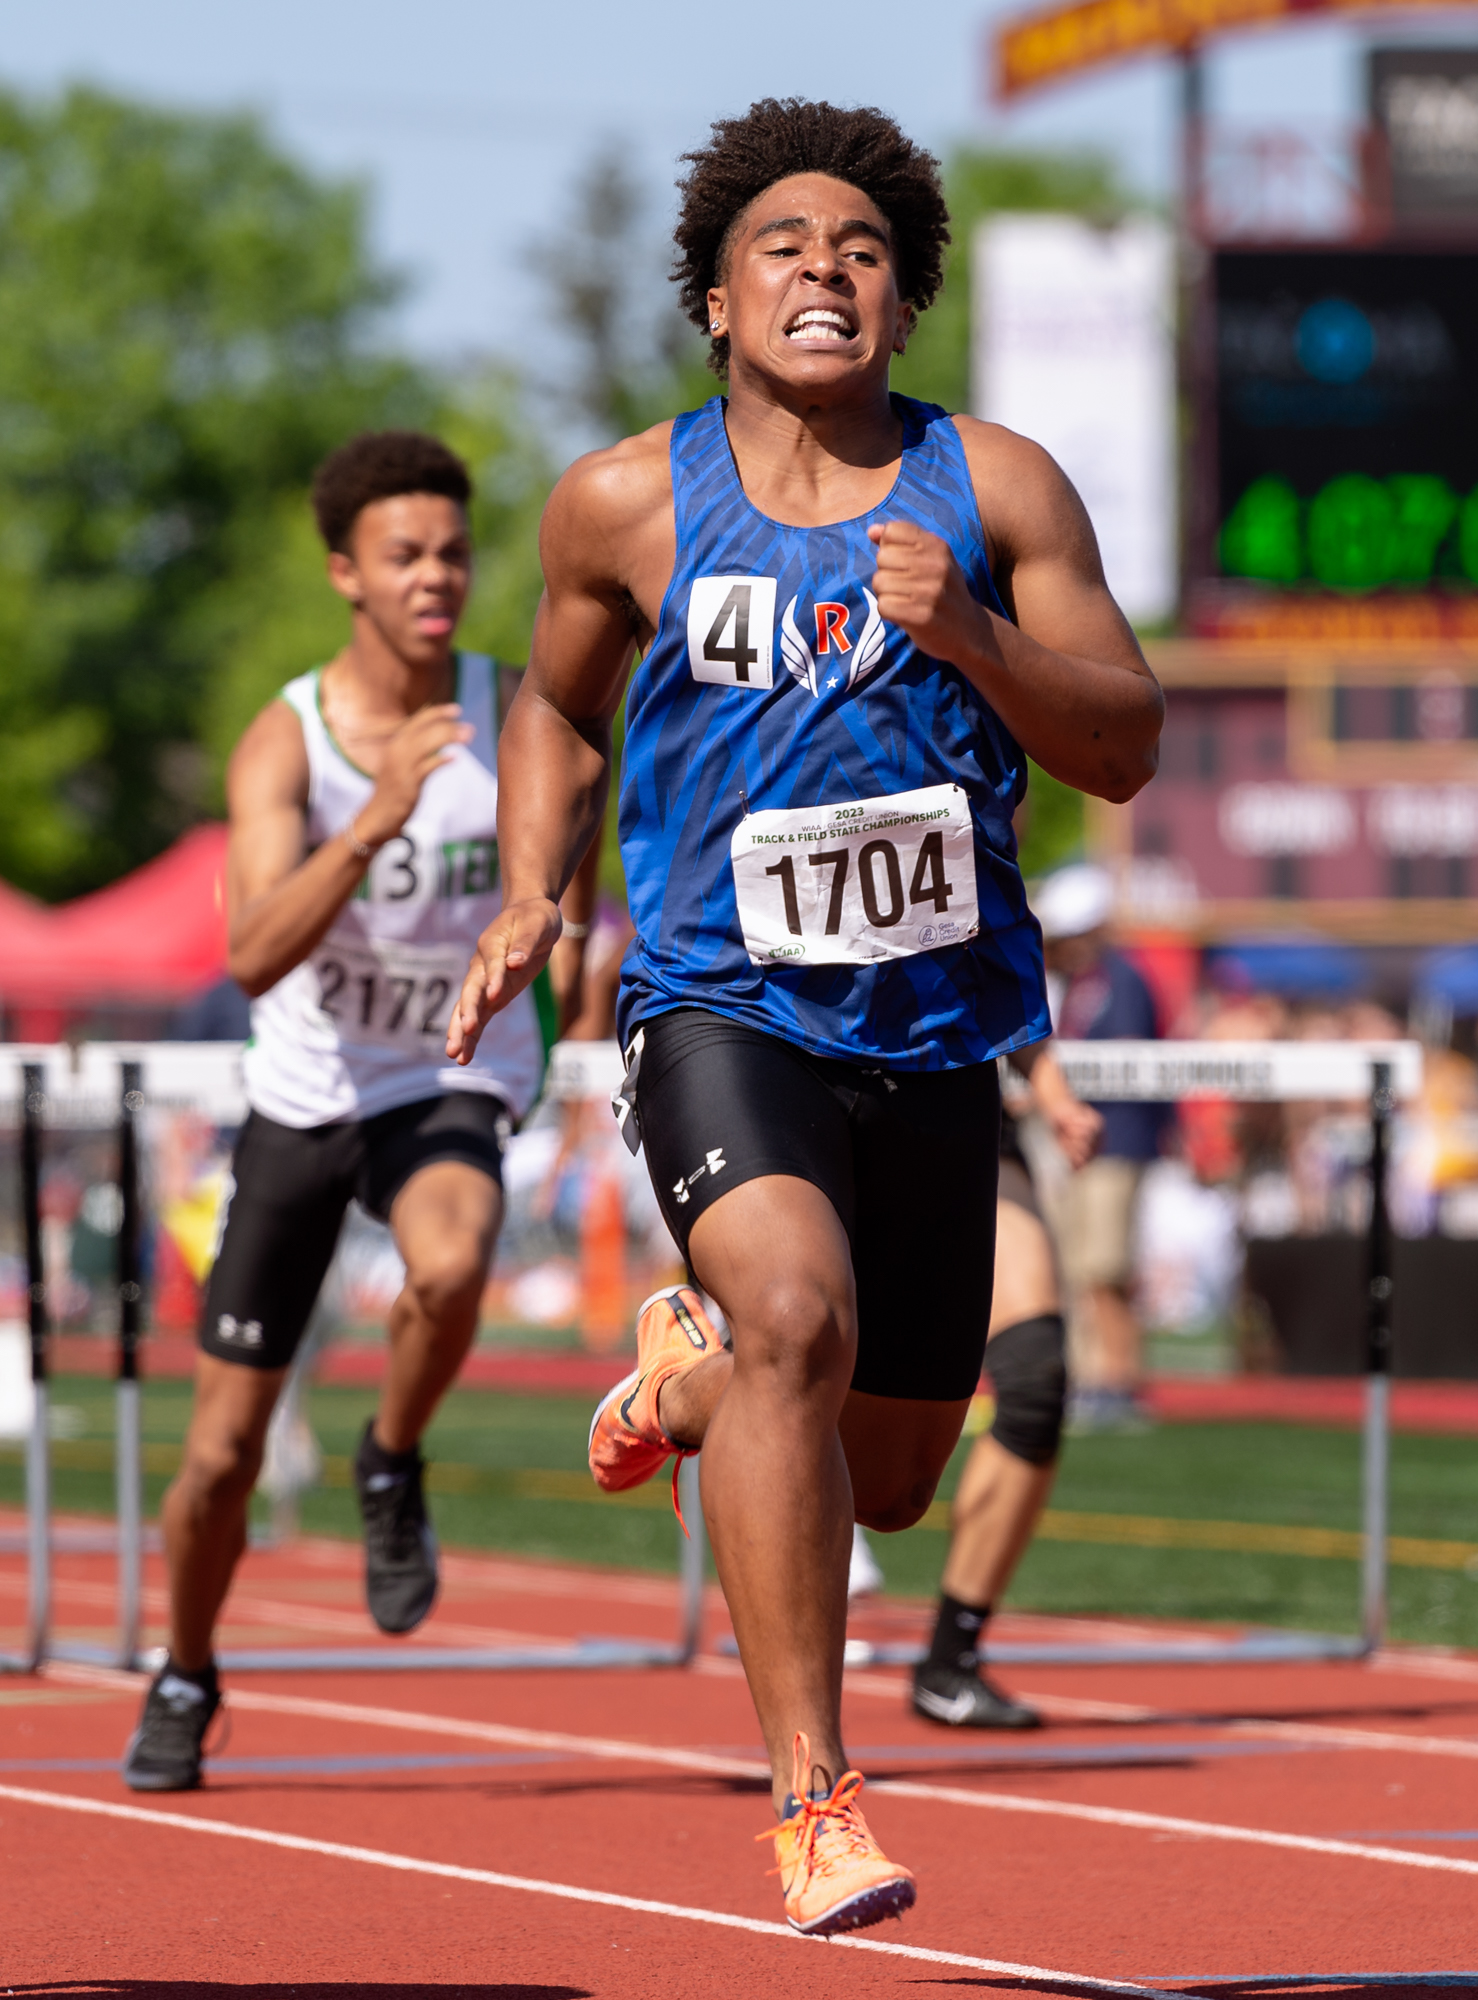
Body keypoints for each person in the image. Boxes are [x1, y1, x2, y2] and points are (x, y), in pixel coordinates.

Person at [449, 98, 1162, 1934]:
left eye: (862, 249)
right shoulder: (622, 498)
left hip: (931, 1029)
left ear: (905, 304)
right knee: (798, 1311)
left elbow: (1132, 746)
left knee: (898, 1475)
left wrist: (983, 645)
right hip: (722, 1000)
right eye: (785, 245)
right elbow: (553, 706)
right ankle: (816, 1800)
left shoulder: (996, 490)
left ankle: (686, 1377)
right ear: (714, 296)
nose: (825, 271)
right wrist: (537, 885)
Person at [123, 430, 589, 1793]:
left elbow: (578, 866)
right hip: (308, 1090)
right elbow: (255, 951)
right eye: (406, 556)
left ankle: (392, 1460)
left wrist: (571, 937)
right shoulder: (292, 739)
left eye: (452, 551)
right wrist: (379, 813)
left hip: (449, 1074)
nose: (437, 577)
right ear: (347, 573)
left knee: (448, 1263)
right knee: (217, 1459)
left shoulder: (523, 711)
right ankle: (187, 1669)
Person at [910, 1049, 1100, 1728]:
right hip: (811, 1085)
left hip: (963, 1108)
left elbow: (1006, 961)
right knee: (811, 1374)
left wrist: (1054, 1098)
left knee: (1035, 1378)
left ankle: (949, 1658)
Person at [1036, 864, 1171, 1430]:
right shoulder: (1080, 982)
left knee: (1107, 1267)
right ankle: (1091, 1378)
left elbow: (1125, 1065)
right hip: (1080, 1141)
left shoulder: (1122, 982)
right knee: (1076, 1266)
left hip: (1116, 1142)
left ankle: (1118, 1378)